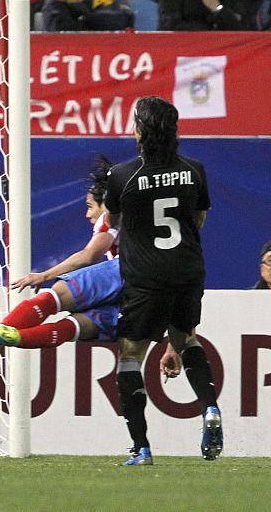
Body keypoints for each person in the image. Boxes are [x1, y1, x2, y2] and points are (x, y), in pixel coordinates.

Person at [105, 95, 221, 466]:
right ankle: (210, 408)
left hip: (146, 279)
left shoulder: (123, 175)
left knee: (130, 356)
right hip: (188, 271)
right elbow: (198, 218)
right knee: (186, 339)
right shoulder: (195, 169)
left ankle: (141, 448)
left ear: (140, 131)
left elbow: (111, 223)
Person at [0, 155, 125, 357]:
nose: (87, 214)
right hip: (147, 296)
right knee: (76, 326)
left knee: (55, 294)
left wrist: (44, 275)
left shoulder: (112, 215)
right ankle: (5, 338)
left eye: (90, 206)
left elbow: (90, 255)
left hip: (127, 271)